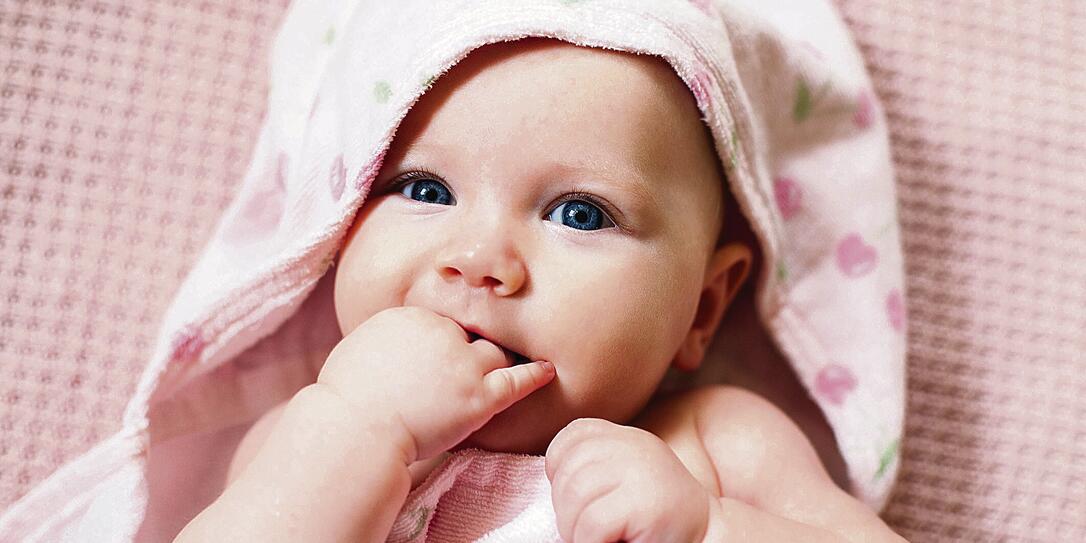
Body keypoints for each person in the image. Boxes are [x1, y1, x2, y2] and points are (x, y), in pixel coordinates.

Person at [175, 38, 907, 542]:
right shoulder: (313, 434)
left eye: (578, 213)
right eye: (425, 189)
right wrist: (361, 427)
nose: (482, 260)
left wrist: (711, 526)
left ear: (703, 307)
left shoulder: (718, 443)